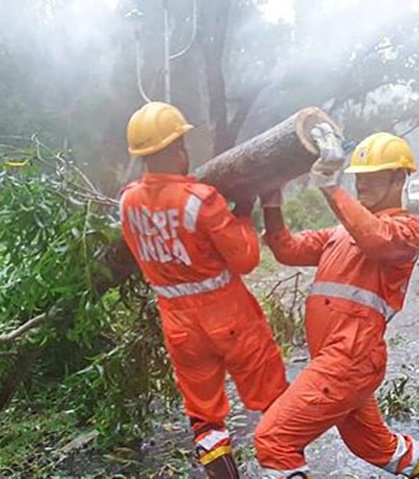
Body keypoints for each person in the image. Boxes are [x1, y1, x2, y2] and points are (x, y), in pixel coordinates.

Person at [254, 128, 419, 479]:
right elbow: (286, 249)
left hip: (348, 359)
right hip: (341, 360)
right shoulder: (341, 232)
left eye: (373, 176)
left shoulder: (405, 231)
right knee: (374, 446)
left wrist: (331, 187)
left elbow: (376, 239)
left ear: (399, 178)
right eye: (359, 176)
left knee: (274, 440)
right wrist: (271, 202)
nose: (362, 184)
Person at [119, 102, 288, 478]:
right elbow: (245, 258)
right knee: (274, 399)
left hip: (179, 327)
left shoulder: (127, 202)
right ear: (177, 148)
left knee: (204, 415)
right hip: (230, 318)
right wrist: (242, 213)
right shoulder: (199, 199)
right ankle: (287, 468)